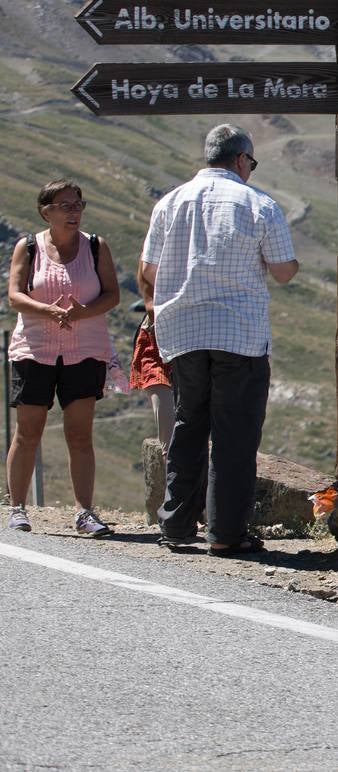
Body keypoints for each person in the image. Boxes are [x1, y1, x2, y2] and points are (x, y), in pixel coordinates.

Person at [141, 124, 298, 556]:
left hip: (183, 332)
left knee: (189, 425)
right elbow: (283, 272)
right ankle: (226, 532)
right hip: (238, 333)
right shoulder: (258, 204)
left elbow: (149, 270)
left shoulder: (170, 203)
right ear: (241, 159)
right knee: (235, 434)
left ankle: (176, 524)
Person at [5, 180, 120, 536]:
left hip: (84, 352)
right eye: (65, 205)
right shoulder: (29, 247)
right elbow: (14, 295)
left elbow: (112, 295)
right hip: (34, 350)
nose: (74, 212)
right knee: (28, 431)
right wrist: (47, 310)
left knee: (80, 434)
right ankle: (17, 508)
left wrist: (83, 312)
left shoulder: (96, 247)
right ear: (46, 212)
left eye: (78, 205)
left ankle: (85, 512)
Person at [129, 259, 174, 449]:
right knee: (169, 428)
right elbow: (146, 266)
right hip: (156, 335)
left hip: (197, 335)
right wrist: (150, 303)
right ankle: (168, 458)